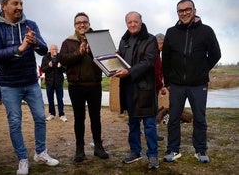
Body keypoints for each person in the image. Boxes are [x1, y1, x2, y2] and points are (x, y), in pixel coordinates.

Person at [0, 0, 59, 175]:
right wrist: (19, 48)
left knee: (41, 118)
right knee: (15, 122)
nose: (20, 7)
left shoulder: (30, 24)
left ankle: (41, 153)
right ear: (3, 5)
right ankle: (22, 159)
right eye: (15, 4)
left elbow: (43, 50)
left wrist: (34, 43)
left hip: (31, 82)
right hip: (9, 84)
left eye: (21, 4)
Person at [162, 0, 221, 163]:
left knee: (200, 118)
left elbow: (216, 54)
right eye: (180, 11)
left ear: (194, 10)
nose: (184, 13)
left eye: (188, 9)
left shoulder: (206, 31)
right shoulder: (171, 32)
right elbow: (165, 59)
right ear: (177, 13)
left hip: (198, 85)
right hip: (177, 85)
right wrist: (168, 82)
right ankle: (173, 150)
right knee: (173, 118)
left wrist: (202, 71)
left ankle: (200, 151)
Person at [59, 12, 109, 162]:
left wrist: (92, 50)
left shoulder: (99, 39)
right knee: (79, 118)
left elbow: (106, 56)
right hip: (76, 86)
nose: (82, 24)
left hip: (95, 85)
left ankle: (98, 147)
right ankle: (79, 149)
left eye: (84, 22)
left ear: (89, 23)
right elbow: (63, 59)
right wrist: (78, 53)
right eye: (78, 22)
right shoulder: (68, 42)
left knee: (96, 118)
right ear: (75, 26)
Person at [114, 11, 159, 169]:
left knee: (150, 125)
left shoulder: (151, 39)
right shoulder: (123, 40)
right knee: (132, 124)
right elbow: (121, 62)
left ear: (141, 21)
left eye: (135, 21)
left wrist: (130, 71)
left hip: (145, 90)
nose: (132, 24)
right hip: (128, 89)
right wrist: (115, 60)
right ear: (126, 23)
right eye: (129, 22)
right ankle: (135, 152)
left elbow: (149, 62)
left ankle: (153, 155)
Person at [41, 44, 67, 122]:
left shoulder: (61, 57)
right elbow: (43, 69)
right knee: (50, 99)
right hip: (49, 82)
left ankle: (62, 115)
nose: (55, 51)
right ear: (50, 50)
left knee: (60, 99)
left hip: (59, 81)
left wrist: (61, 66)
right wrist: (48, 66)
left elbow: (65, 69)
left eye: (56, 49)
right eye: (53, 49)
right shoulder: (45, 58)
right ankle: (52, 114)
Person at [154, 33, 166, 141]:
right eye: (162, 44)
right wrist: (161, 86)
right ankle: (152, 134)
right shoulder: (154, 54)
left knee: (154, 111)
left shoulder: (158, 54)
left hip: (155, 87)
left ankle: (153, 133)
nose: (163, 47)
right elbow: (157, 72)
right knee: (152, 111)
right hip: (152, 87)